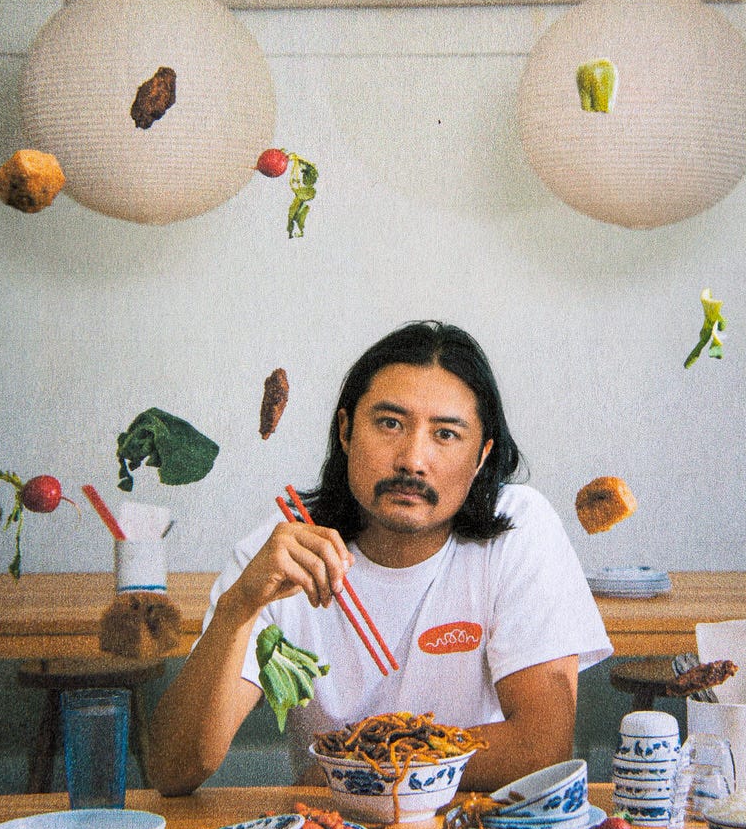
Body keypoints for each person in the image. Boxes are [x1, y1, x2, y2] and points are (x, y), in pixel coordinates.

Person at [149, 321, 612, 796]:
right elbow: (173, 770)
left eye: (446, 434)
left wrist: (357, 771)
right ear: (346, 431)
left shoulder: (518, 527)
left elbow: (539, 747)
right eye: (389, 424)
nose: (412, 458)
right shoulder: (283, 548)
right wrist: (238, 607)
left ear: (481, 456)